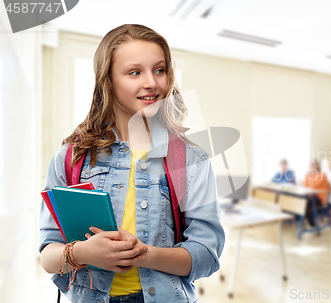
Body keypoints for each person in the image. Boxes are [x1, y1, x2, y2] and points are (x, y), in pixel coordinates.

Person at [38, 24, 225, 303]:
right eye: (134, 72)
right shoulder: (70, 157)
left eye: (159, 70)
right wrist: (83, 253)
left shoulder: (190, 160)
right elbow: (47, 256)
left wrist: (144, 254)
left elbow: (206, 256)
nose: (152, 82)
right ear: (108, 79)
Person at [303, 159, 330, 227]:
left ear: (318, 165)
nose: (312, 166)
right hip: (311, 197)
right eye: (311, 164)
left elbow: (314, 186)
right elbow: (305, 186)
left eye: (314, 164)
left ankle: (310, 221)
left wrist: (311, 175)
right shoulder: (309, 174)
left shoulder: (322, 175)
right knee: (299, 200)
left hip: (320, 199)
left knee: (306, 203)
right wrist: (308, 175)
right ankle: (301, 219)